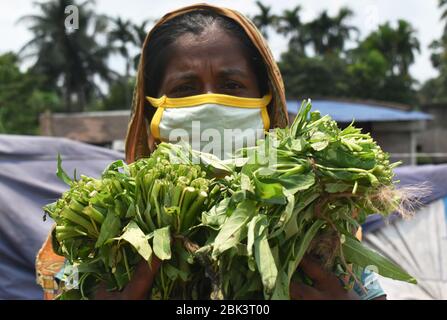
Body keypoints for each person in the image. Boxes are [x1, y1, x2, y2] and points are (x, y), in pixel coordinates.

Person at [36, 3, 386, 300]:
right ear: (150, 107)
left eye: (232, 85)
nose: (209, 102)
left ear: (267, 100)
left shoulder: (317, 216)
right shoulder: (104, 220)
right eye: (185, 88)